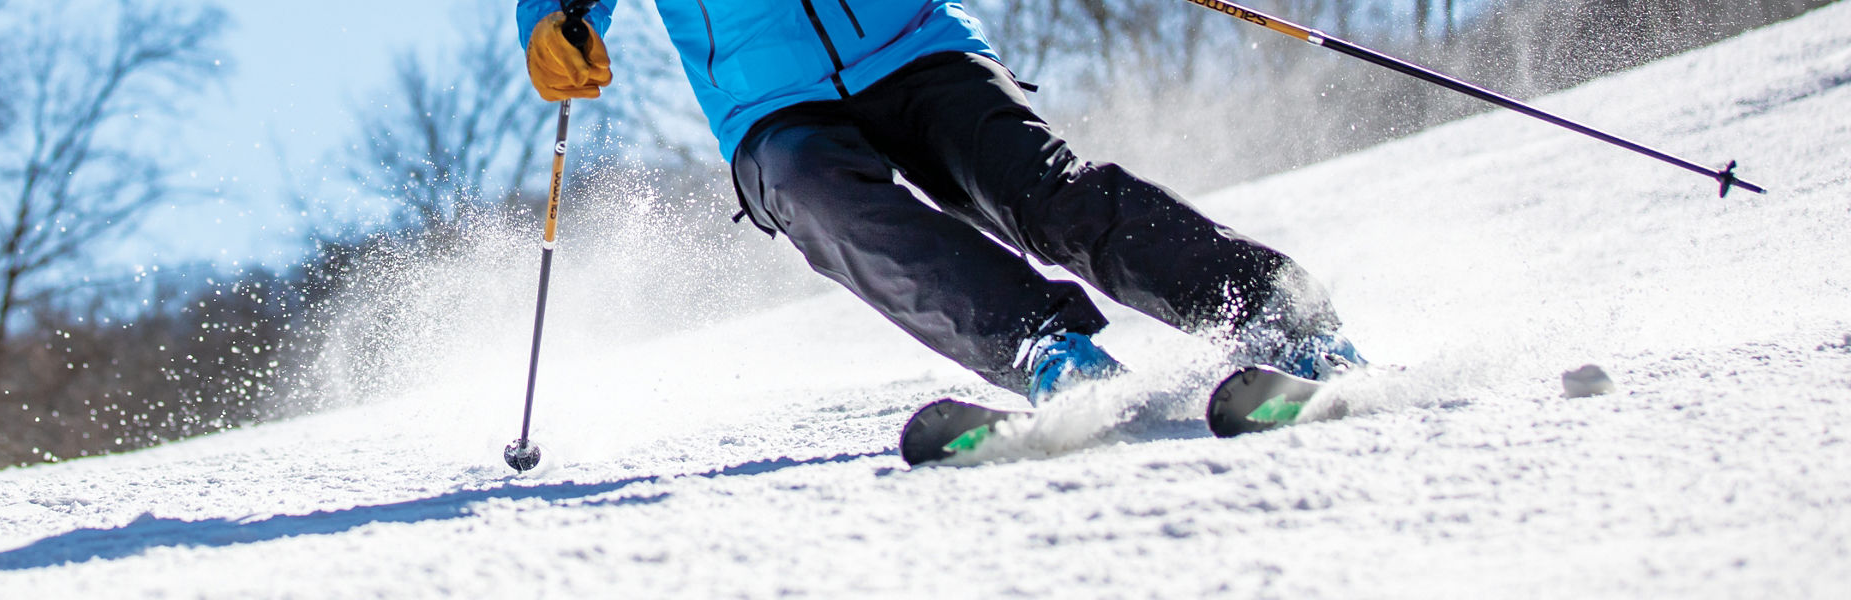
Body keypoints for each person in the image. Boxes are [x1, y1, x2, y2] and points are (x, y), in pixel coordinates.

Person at [516, 0, 1362, 400]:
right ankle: (1043, 350)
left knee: (1042, 190)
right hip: (769, 101)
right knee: (825, 200)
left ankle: (1277, 315)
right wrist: (553, 18)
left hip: (913, 42)